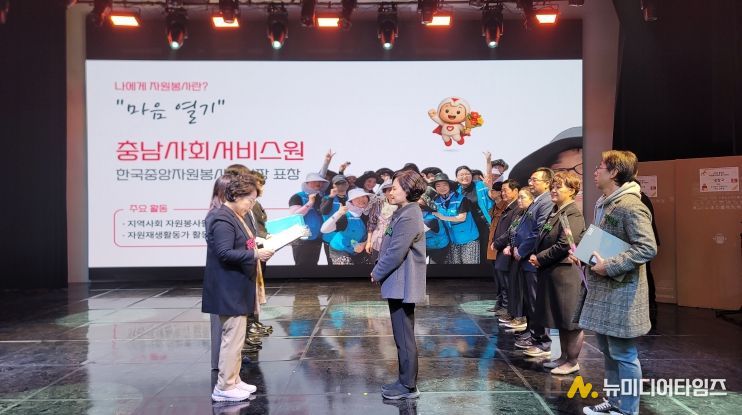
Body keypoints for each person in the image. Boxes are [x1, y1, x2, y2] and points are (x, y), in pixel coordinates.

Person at [579, 151, 657, 415]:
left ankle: (628, 409)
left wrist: (609, 265)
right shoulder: (605, 202)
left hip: (623, 292)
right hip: (604, 289)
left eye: (600, 167)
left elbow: (647, 247)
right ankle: (614, 402)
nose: (595, 171)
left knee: (623, 354)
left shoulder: (631, 205)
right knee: (608, 351)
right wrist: (584, 253)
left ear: (613, 172)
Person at [202, 174, 274, 402]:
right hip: (228, 289)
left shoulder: (236, 216)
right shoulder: (222, 219)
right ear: (235, 195)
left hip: (238, 287)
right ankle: (224, 386)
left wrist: (258, 245)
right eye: (249, 200)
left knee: (237, 338)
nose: (251, 205)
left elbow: (244, 242)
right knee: (231, 339)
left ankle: (233, 379)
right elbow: (224, 253)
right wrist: (255, 254)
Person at [371, 169, 428, 400]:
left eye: (394, 188)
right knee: (401, 334)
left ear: (408, 190)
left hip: (402, 282)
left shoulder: (410, 215)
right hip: (398, 281)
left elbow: (396, 252)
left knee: (404, 336)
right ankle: (404, 381)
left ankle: (408, 386)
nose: (390, 192)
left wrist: (377, 272)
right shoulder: (403, 212)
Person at [528, 171, 586, 375]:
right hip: (553, 273)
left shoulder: (572, 214)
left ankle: (572, 361)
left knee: (570, 321)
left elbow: (565, 244)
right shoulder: (556, 211)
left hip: (566, 276)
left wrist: (540, 258)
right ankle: (562, 358)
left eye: (558, 187)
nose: (553, 190)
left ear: (572, 190)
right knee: (559, 320)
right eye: (552, 186)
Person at [496, 189, 533, 331]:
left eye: (523, 198)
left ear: (531, 199)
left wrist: (518, 249)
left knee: (522, 290)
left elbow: (529, 235)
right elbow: (511, 232)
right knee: (513, 287)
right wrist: (507, 245)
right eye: (519, 198)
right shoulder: (520, 214)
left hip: (524, 256)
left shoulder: (531, 215)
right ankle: (515, 314)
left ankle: (521, 317)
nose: (519, 200)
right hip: (514, 254)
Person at [487, 179, 521, 317]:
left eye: (505, 190)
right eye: (501, 191)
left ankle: (507, 308)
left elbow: (511, 230)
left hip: (506, 248)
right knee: (500, 278)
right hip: (497, 247)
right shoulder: (505, 207)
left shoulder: (516, 208)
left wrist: (501, 243)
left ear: (516, 191)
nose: (502, 193)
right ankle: (502, 304)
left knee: (507, 280)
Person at [430, 173, 480, 264]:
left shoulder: (461, 199)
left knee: (470, 268)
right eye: (438, 185)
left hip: (469, 239)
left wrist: (442, 217)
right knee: (456, 268)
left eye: (445, 184)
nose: (442, 188)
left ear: (449, 185)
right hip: (453, 241)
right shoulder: (435, 202)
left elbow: (462, 217)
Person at [320, 188, 374, 265]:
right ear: (351, 202)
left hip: (360, 248)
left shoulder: (370, 214)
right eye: (357, 198)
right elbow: (324, 229)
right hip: (340, 249)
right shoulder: (346, 217)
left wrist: (364, 244)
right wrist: (338, 214)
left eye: (363, 196)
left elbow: (375, 232)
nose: (361, 199)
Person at [288, 172, 329, 266]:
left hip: (317, 237)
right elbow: (295, 215)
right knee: (301, 266)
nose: (318, 184)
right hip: (302, 238)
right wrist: (309, 203)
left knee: (313, 265)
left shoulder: (321, 197)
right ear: (307, 183)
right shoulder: (297, 196)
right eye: (314, 181)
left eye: (320, 182)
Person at [320, 174, 350, 263]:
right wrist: (331, 197)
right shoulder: (327, 198)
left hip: (347, 238)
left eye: (343, 183)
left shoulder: (352, 198)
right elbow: (323, 211)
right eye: (338, 183)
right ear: (333, 185)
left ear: (347, 184)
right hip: (330, 238)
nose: (341, 185)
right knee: (331, 265)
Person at [365, 179, 397, 261]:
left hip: (393, 243)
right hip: (376, 241)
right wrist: (369, 242)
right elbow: (371, 223)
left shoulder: (402, 206)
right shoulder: (377, 204)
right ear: (385, 192)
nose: (392, 192)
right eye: (389, 190)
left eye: (394, 189)